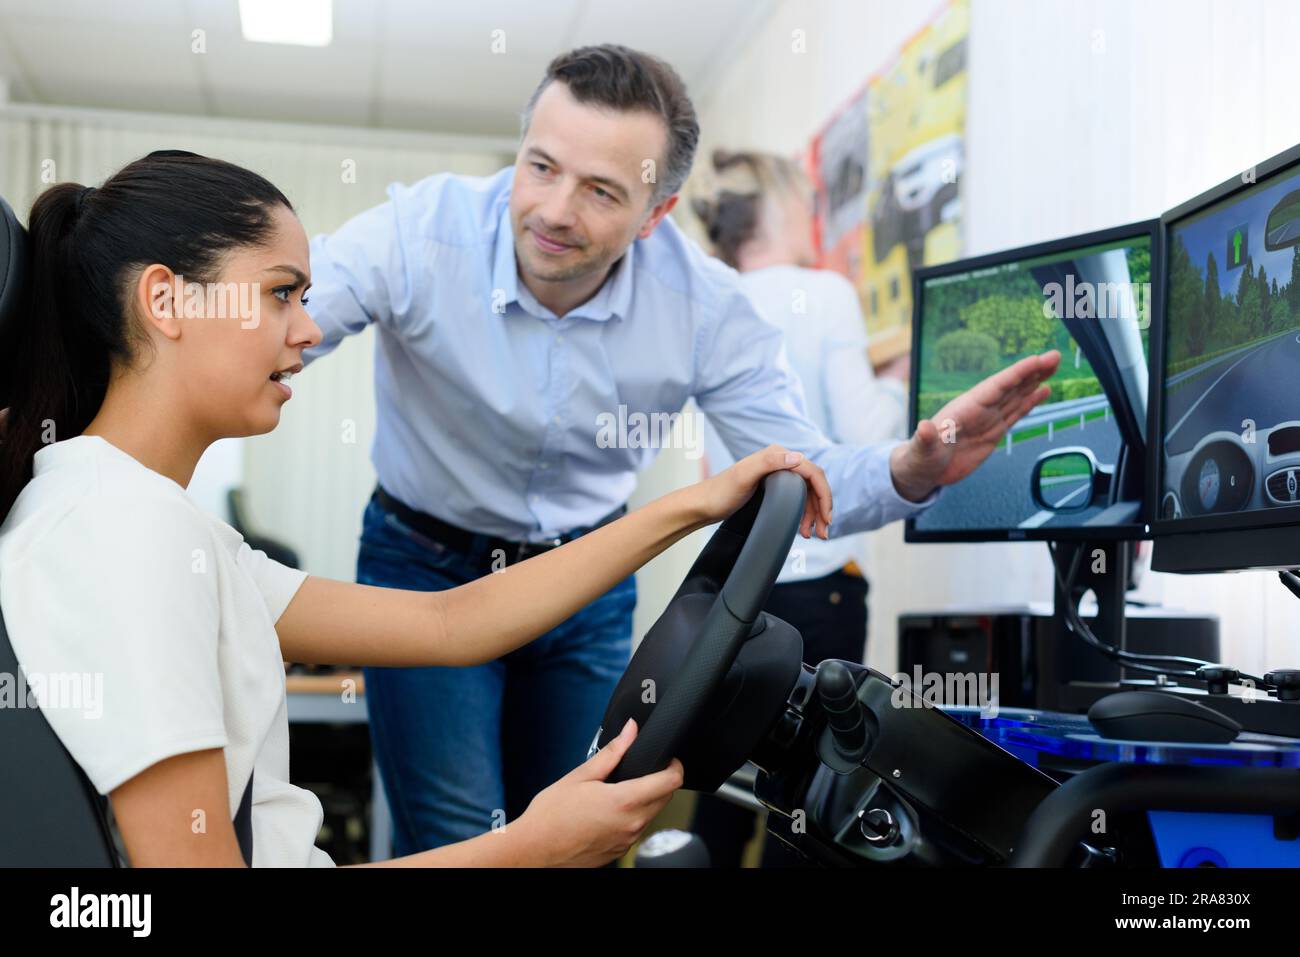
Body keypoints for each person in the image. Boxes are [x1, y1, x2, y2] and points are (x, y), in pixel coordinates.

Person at [301, 43, 1060, 855]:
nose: (556, 210)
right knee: (461, 837)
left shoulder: (703, 306)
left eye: (601, 191)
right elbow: (280, 323)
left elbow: (800, 469)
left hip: (581, 584)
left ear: (657, 211)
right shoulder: (421, 234)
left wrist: (913, 470)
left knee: (572, 833)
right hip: (426, 560)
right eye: (541, 166)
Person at [0, 150, 837, 867]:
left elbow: (453, 623)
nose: (306, 329)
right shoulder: (123, 533)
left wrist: (693, 507)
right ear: (166, 300)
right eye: (281, 294)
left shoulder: (152, 523)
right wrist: (529, 847)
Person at [688, 149, 909, 866]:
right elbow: (869, 432)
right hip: (819, 584)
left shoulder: (711, 296)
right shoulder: (827, 293)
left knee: (718, 773)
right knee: (806, 787)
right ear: (783, 210)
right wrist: (905, 381)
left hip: (735, 587)